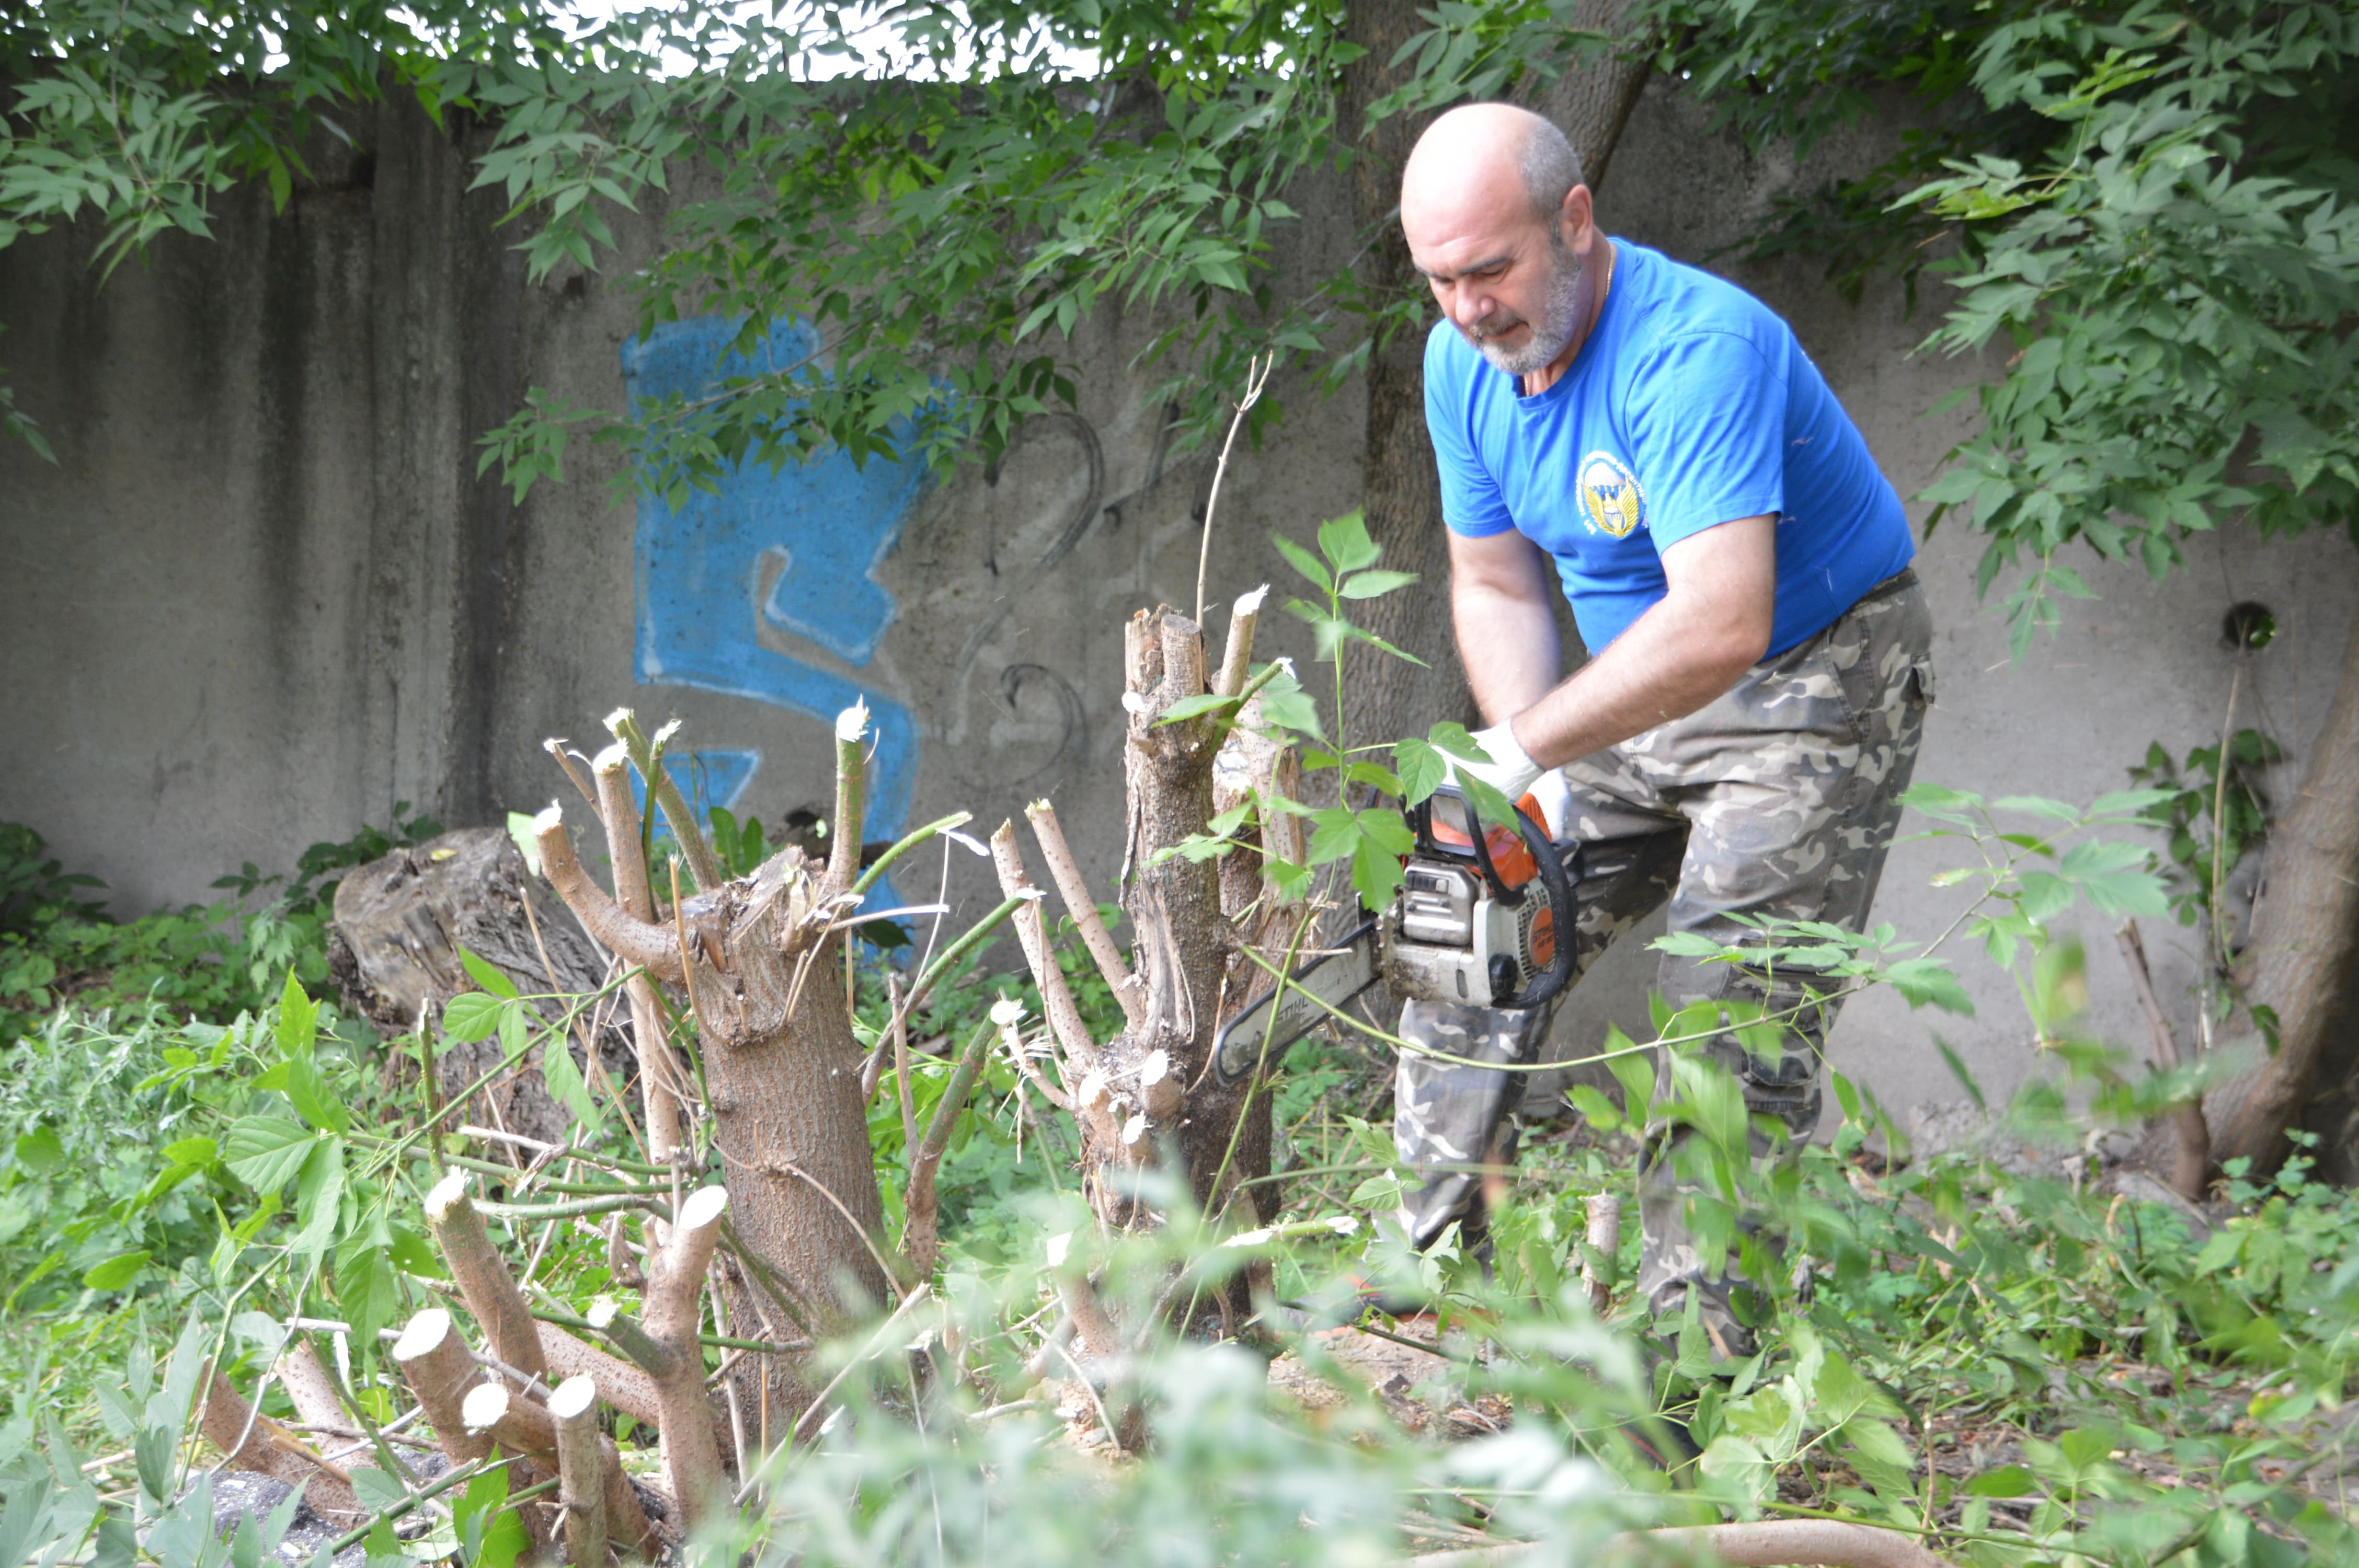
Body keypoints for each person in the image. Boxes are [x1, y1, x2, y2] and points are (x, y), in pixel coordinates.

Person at [1387, 101, 1936, 1358]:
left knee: (1728, 1022)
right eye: (1439, 280)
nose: (1469, 309)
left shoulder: (1696, 349)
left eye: (1491, 270)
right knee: (1463, 920)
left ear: (1574, 222)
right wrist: (1519, 770)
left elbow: (1724, 623)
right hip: (1637, 679)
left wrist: (1537, 745)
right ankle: (1435, 1300)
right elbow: (1497, 581)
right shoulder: (1460, 362)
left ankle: (1699, 1381)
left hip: (1811, 680)